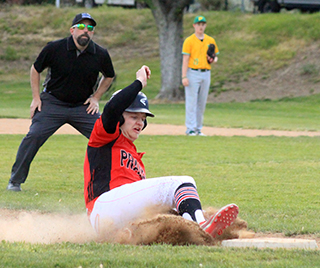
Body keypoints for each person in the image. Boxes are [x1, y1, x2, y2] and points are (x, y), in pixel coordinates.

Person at [84, 65, 238, 239]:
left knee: (170, 216)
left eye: (143, 119)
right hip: (104, 207)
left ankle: (195, 227)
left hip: (115, 220)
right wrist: (139, 82)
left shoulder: (135, 158)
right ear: (119, 117)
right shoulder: (104, 136)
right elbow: (112, 108)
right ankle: (202, 229)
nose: (140, 123)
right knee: (182, 183)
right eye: (134, 117)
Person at [6, 13, 115, 192]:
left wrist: (95, 98)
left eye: (90, 28)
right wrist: (36, 98)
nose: (85, 31)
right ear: (72, 30)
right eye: (81, 27)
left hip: (82, 106)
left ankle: (113, 183)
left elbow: (109, 75)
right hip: (53, 103)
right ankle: (15, 181)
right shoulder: (54, 48)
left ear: (93, 33)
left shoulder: (100, 54)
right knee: (34, 136)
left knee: (107, 137)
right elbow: (35, 69)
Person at [182, 15, 219, 136]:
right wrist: (184, 76)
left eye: (203, 24)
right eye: (198, 25)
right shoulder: (189, 40)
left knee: (201, 102)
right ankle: (190, 128)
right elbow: (185, 59)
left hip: (206, 72)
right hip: (193, 72)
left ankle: (198, 128)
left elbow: (214, 57)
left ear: (205, 26)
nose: (200, 27)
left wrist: (212, 59)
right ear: (194, 26)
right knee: (191, 102)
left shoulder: (210, 40)